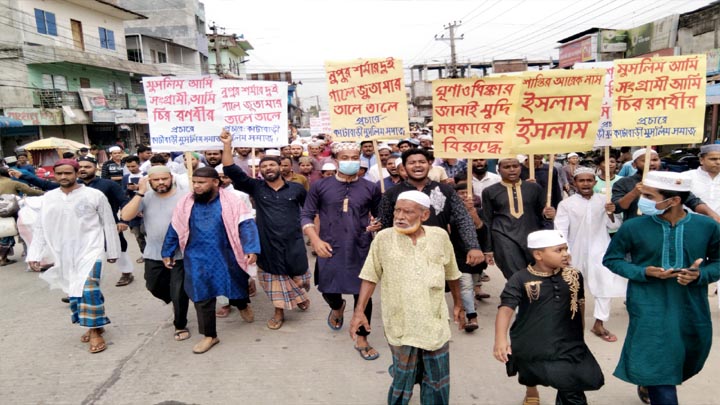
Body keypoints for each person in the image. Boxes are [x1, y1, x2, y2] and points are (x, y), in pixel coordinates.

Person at [603, 171, 720, 405]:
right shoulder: (633, 227)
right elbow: (612, 259)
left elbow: (717, 262)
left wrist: (700, 275)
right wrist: (643, 271)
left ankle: (650, 378)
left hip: (690, 304)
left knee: (692, 351)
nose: (642, 199)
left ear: (674, 200)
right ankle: (655, 381)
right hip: (648, 302)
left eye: (648, 195)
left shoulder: (707, 227)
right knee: (660, 364)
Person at [350, 190, 463, 405]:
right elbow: (370, 275)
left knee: (437, 378)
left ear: (425, 215)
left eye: (408, 212)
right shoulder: (383, 238)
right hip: (400, 320)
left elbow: (452, 273)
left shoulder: (439, 236)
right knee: (403, 378)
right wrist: (359, 312)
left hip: (434, 321)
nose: (400, 217)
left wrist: (458, 304)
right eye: (397, 211)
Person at [494, 230, 604, 405]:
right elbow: (506, 309)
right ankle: (531, 390)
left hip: (569, 344)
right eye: (558, 250)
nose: (565, 254)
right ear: (538, 254)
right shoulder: (520, 278)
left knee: (573, 385)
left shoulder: (574, 275)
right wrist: (500, 340)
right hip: (533, 341)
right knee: (531, 373)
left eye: (565, 249)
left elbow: (579, 303)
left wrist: (580, 334)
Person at [161, 167, 260, 353]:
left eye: (201, 183)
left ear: (215, 182)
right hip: (196, 257)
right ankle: (210, 335)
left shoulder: (232, 201)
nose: (196, 186)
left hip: (227, 253)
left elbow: (246, 224)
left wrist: (251, 248)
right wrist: (167, 251)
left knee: (235, 285)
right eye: (195, 182)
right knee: (202, 294)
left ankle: (241, 304)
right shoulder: (186, 202)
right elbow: (175, 227)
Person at [219, 130, 311, 330]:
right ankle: (279, 313)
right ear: (260, 171)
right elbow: (230, 169)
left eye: (272, 164)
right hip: (267, 243)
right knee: (273, 279)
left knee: (299, 277)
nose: (268, 168)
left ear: (281, 167)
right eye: (264, 166)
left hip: (294, 242)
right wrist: (227, 145)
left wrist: (315, 235)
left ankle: (299, 294)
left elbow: (310, 212)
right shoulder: (256, 187)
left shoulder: (296, 189)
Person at [28, 159, 120, 354]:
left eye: (68, 173)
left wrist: (112, 250)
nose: (63, 177)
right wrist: (34, 253)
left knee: (87, 287)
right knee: (75, 290)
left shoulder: (94, 195)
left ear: (76, 173)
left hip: (91, 249)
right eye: (59, 173)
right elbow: (40, 227)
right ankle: (94, 322)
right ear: (53, 174)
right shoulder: (49, 198)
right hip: (63, 253)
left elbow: (108, 224)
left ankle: (95, 331)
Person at [302, 142, 382, 360]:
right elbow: (306, 215)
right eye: (345, 157)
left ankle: (362, 337)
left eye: (355, 157)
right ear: (336, 160)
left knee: (362, 294)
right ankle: (337, 307)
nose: (350, 160)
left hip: (360, 246)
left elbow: (380, 215)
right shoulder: (320, 186)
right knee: (327, 289)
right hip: (329, 247)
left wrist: (378, 224)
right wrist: (315, 240)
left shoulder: (370, 187)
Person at [378, 148, 485, 268]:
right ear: (404, 166)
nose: (417, 165)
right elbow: (384, 226)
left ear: (430, 164)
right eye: (412, 163)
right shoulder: (391, 193)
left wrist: (473, 246)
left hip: (438, 253)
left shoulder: (446, 190)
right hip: (402, 254)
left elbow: (463, 219)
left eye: (422, 162)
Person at [120, 166, 191, 342]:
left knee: (179, 292)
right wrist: (140, 193)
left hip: (180, 253)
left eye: (164, 179)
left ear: (171, 178)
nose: (161, 182)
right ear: (149, 181)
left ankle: (180, 324)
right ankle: (173, 301)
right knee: (153, 286)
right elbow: (126, 216)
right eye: (156, 179)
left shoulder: (185, 195)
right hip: (153, 252)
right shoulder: (146, 197)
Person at [555, 167, 625, 343]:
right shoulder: (566, 204)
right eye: (581, 180)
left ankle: (599, 323)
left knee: (604, 284)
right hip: (574, 250)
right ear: (575, 183)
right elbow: (561, 229)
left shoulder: (604, 201)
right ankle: (568, 324)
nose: (585, 184)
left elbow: (614, 225)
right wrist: (564, 252)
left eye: (589, 180)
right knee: (571, 287)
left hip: (600, 249)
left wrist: (610, 212)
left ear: (595, 182)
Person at [483, 157, 555, 279]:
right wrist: (488, 249)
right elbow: (487, 219)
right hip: (503, 236)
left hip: (530, 235)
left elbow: (541, 214)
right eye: (506, 167)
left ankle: (528, 297)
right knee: (515, 276)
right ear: (498, 170)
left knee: (535, 274)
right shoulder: (489, 191)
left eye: (515, 166)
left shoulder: (534, 188)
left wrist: (548, 214)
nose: (512, 170)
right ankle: (518, 297)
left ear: (520, 168)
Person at [612, 148, 720, 222]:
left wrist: (712, 215)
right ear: (634, 165)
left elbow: (692, 201)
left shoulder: (671, 179)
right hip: (637, 232)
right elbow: (617, 208)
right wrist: (634, 192)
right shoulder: (623, 183)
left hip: (669, 229)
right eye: (645, 161)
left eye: (655, 160)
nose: (652, 163)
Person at [77, 157, 135, 287]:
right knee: (84, 252)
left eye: (87, 166)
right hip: (83, 226)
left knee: (119, 246)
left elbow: (124, 202)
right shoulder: (75, 186)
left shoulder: (108, 184)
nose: (82, 169)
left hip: (109, 223)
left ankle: (126, 272)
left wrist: (123, 221)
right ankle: (82, 283)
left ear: (96, 168)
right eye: (80, 167)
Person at [452, 179, 490, 332]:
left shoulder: (479, 211)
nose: (464, 196)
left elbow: (483, 230)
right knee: (466, 285)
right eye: (461, 193)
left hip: (477, 254)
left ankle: (468, 302)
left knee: (473, 283)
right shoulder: (450, 211)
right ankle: (471, 316)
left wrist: (473, 214)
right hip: (459, 254)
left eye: (467, 193)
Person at [0, 167, 43, 265]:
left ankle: (3, 257)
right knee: (13, 232)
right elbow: (30, 191)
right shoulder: (13, 183)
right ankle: (3, 257)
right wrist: (45, 193)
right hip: (10, 210)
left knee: (3, 233)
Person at [122, 156, 146, 263]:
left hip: (146, 207)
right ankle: (144, 254)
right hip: (133, 208)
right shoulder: (126, 177)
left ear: (138, 164)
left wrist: (139, 188)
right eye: (128, 167)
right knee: (138, 235)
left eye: (133, 166)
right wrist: (128, 189)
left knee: (149, 233)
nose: (131, 168)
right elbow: (123, 194)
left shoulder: (146, 176)